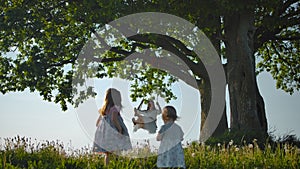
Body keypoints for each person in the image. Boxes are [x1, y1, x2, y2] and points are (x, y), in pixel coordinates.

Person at [93, 88, 132, 166]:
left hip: (105, 132)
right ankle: (116, 165)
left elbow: (97, 123)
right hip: (113, 131)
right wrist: (120, 129)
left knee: (107, 153)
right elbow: (114, 118)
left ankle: (107, 166)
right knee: (117, 150)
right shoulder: (115, 107)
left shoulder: (104, 109)